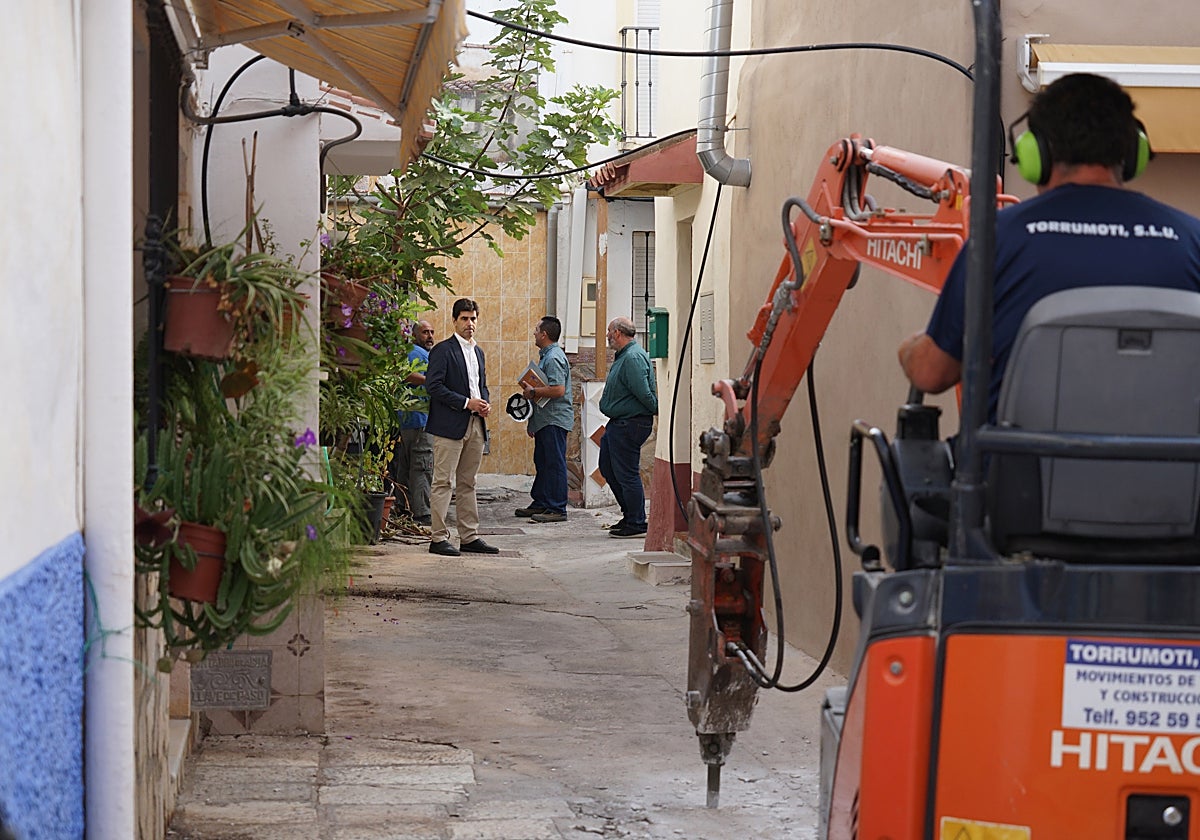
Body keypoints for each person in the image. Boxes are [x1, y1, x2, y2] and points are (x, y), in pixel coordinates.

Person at [899, 72, 1200, 418]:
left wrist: (910, 349)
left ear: (1036, 154)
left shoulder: (998, 239)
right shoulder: (1192, 240)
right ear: (1134, 152)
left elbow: (931, 373)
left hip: (1015, 455)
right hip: (1167, 455)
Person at [425, 299, 501, 557]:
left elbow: (481, 386)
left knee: (469, 482)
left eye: (473, 319)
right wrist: (466, 403)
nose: (470, 323)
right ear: (454, 321)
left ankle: (469, 536)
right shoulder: (443, 350)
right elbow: (433, 386)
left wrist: (484, 403)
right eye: (465, 319)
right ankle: (438, 538)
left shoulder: (478, 352)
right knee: (443, 481)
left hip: (476, 424)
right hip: (449, 425)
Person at [598, 316, 658, 539]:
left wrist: (653, 409)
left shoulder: (632, 357)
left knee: (626, 473)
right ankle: (631, 515)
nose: (607, 335)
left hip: (630, 423)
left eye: (609, 331)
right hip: (620, 422)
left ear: (617, 333)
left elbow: (643, 392)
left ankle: (636, 521)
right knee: (608, 467)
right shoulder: (625, 355)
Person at [515, 316, 573, 523]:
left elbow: (558, 390)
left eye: (536, 330)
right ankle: (541, 502)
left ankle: (557, 507)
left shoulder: (554, 357)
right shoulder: (548, 356)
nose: (534, 333)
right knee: (543, 461)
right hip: (544, 420)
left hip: (554, 420)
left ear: (544, 334)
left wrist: (533, 391)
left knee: (554, 463)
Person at [391, 319, 435, 526]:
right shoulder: (417, 353)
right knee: (422, 466)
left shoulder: (409, 353)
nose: (430, 336)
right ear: (414, 334)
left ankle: (403, 507)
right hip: (420, 419)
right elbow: (407, 375)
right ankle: (422, 512)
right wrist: (432, 381)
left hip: (408, 419)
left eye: (432, 332)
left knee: (406, 466)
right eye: (425, 332)